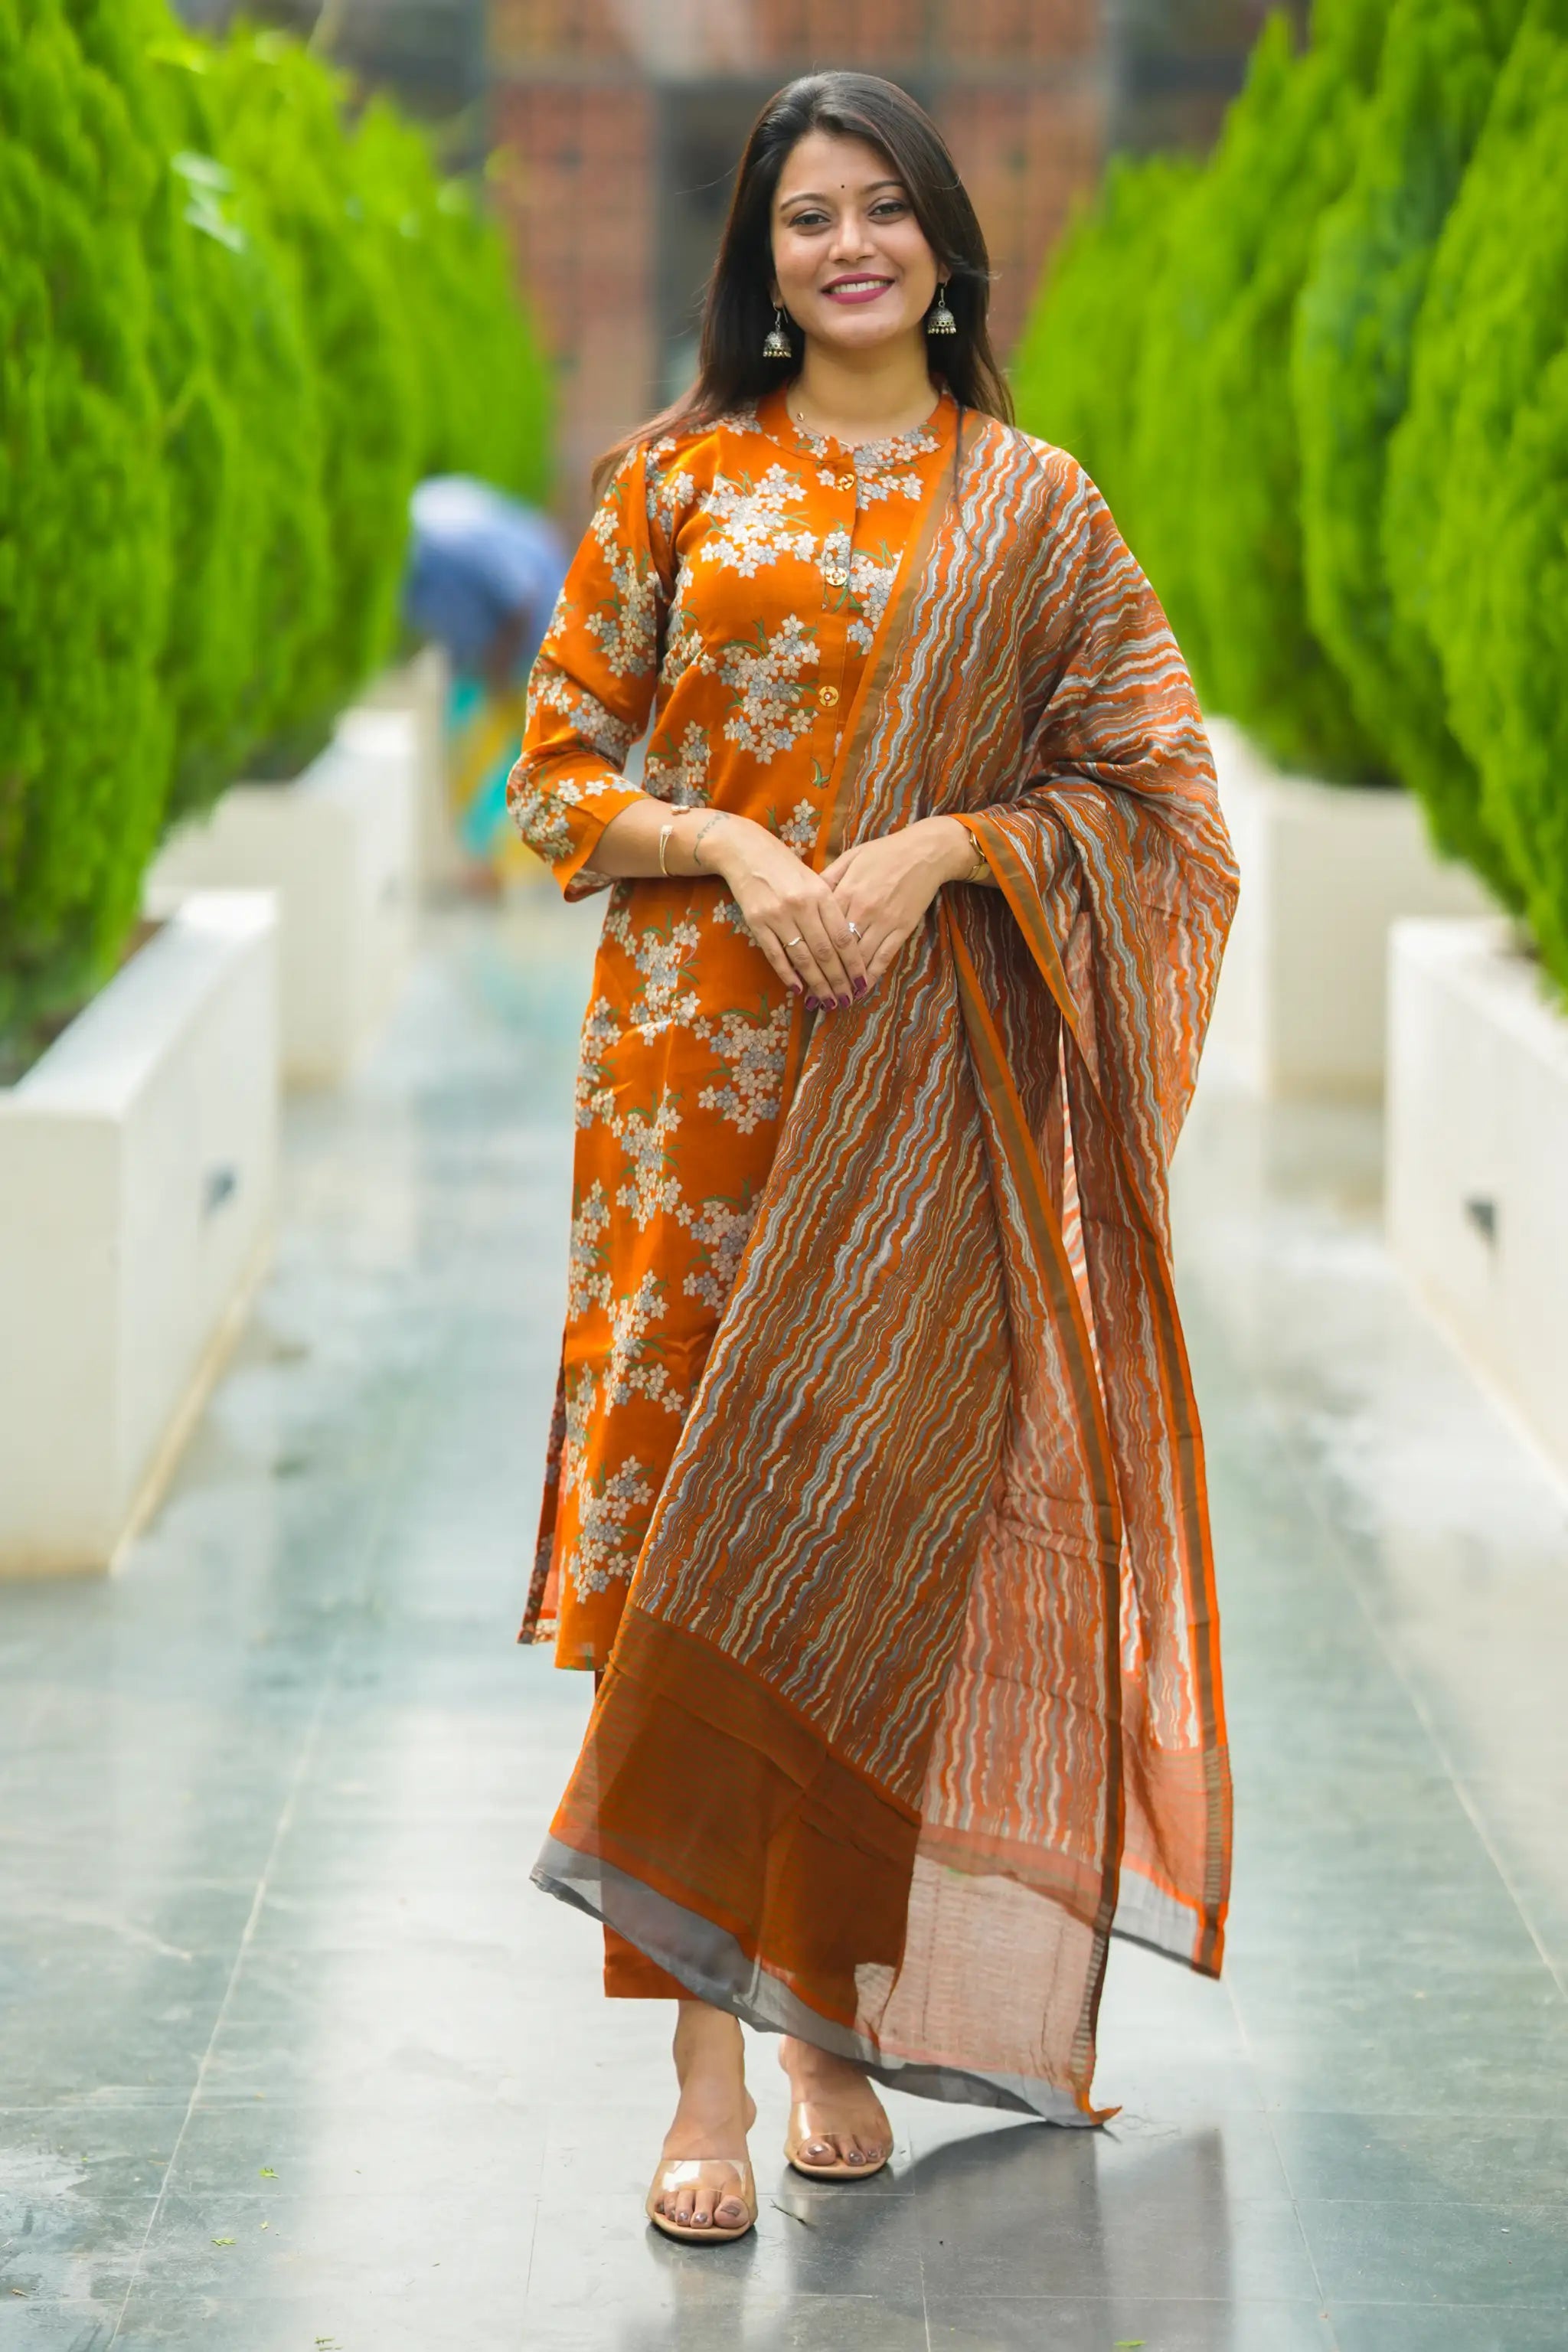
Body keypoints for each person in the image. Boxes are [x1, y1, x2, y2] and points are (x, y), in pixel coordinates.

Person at [507, 71, 1237, 2244]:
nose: (849, 244)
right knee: (686, 1559)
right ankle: (704, 2070)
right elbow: (557, 772)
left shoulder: (1034, 504)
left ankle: (832, 2017)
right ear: (763, 253)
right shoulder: (674, 482)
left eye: (884, 208)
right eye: (808, 213)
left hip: (921, 1101)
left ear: (941, 241)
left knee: (860, 1539)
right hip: (692, 1096)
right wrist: (736, 844)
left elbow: (1159, 792)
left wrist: (932, 852)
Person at [402, 475, 567, 887]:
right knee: (469, 746)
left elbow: (523, 595)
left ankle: (506, 866)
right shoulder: (422, 532)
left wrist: (499, 663)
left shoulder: (441, 543)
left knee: (508, 753)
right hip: (488, 651)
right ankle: (493, 863)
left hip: (530, 640)